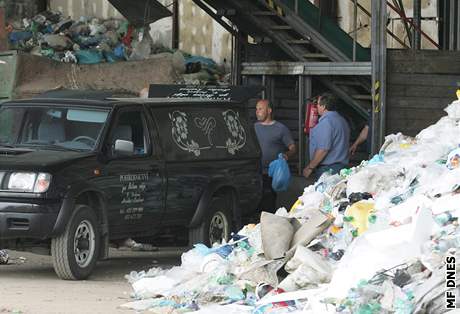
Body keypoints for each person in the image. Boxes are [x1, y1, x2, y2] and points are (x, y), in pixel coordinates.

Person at [254, 99, 296, 212]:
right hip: (255, 173)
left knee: (268, 203)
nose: (257, 112)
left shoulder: (281, 128)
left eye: (260, 109)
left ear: (269, 110)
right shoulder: (253, 128)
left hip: (271, 174)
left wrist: (286, 154)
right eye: (256, 109)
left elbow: (293, 148)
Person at [303, 93, 350, 180]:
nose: (316, 106)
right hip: (341, 168)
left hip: (328, 170)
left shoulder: (326, 122)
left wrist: (310, 167)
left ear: (323, 106)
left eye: (317, 104)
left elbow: (323, 149)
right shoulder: (342, 120)